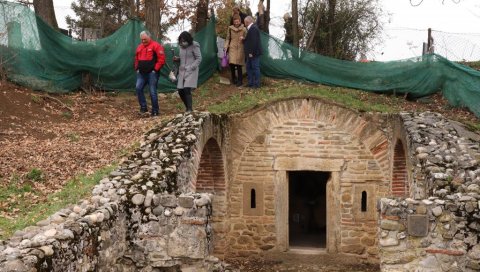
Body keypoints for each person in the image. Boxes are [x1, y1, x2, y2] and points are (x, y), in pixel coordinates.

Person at [134, 30, 165, 117]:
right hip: (141, 73)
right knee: (138, 88)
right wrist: (137, 68)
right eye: (142, 40)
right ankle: (143, 108)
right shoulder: (139, 47)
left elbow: (161, 59)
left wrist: (155, 70)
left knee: (152, 92)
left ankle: (155, 110)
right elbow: (136, 58)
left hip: (152, 73)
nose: (143, 41)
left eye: (145, 39)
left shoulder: (156, 46)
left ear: (149, 37)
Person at [173, 31, 202, 112]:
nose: (182, 42)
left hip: (191, 70)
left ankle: (189, 109)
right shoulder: (181, 47)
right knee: (180, 90)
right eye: (181, 41)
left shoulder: (194, 45)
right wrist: (177, 59)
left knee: (186, 89)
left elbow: (199, 58)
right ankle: (187, 107)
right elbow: (183, 58)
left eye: (184, 40)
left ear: (188, 39)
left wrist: (191, 67)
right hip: (182, 71)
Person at [224, 14, 247, 87]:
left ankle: (240, 80)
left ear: (240, 21)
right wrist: (226, 46)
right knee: (232, 64)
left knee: (239, 64)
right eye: (235, 22)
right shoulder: (230, 28)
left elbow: (247, 37)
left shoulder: (244, 29)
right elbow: (228, 38)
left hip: (240, 47)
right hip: (232, 47)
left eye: (237, 22)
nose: (236, 23)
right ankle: (234, 78)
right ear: (233, 22)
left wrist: (243, 38)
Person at [243, 16, 262, 88]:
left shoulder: (253, 28)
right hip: (250, 53)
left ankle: (256, 84)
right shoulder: (251, 28)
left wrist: (251, 52)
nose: (244, 24)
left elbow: (254, 42)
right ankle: (251, 83)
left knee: (255, 68)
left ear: (247, 22)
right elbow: (250, 40)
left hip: (253, 53)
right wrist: (244, 40)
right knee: (248, 67)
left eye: (245, 22)